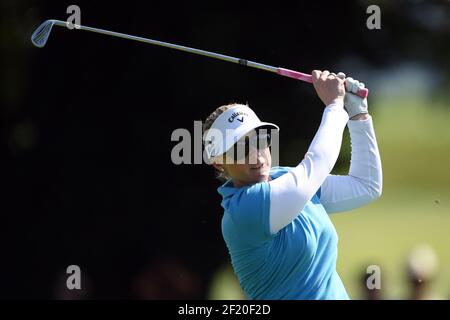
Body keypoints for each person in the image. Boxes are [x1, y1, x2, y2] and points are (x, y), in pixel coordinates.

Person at [202, 70, 382, 300]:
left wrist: (358, 115)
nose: (256, 157)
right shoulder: (244, 209)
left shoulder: (285, 179)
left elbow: (365, 186)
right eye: (240, 149)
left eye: (260, 140)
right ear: (219, 163)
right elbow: (317, 163)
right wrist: (335, 107)